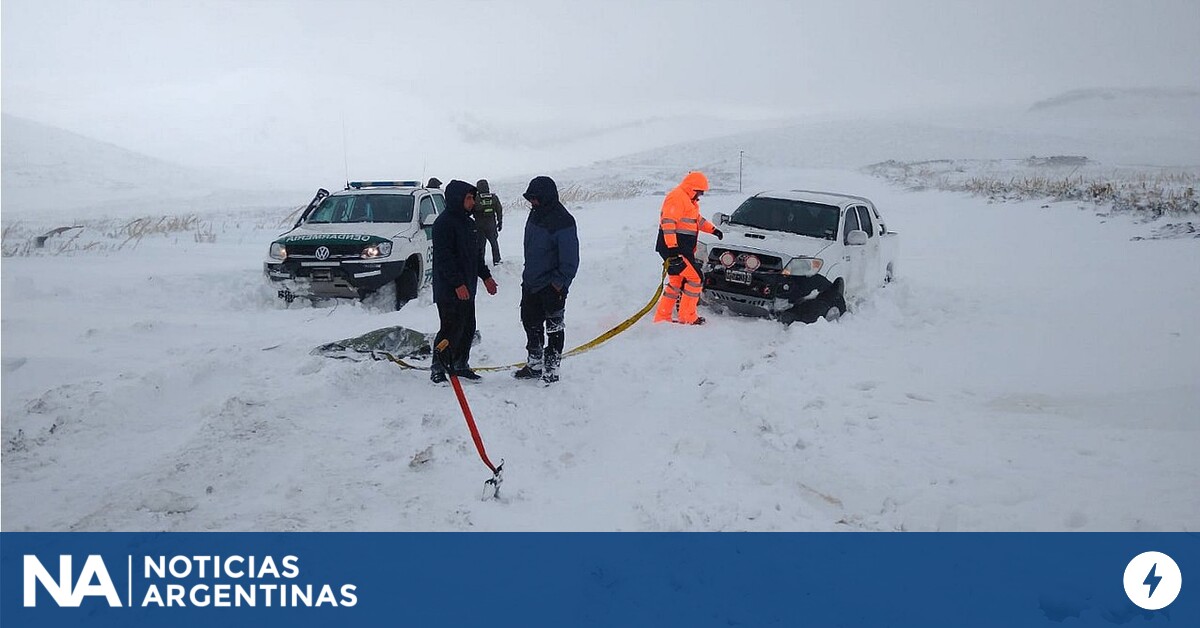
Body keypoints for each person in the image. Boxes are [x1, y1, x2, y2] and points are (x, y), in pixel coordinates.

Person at [430, 179, 498, 383]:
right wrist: (457, 284)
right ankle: (438, 367)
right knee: (450, 328)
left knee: (467, 327)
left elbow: (476, 255)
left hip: (467, 288)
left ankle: (460, 364)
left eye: (472, 198)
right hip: (449, 289)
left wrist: (486, 277)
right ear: (457, 199)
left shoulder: (469, 223)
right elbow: (444, 258)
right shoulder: (443, 224)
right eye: (468, 198)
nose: (472, 202)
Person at [513, 176, 579, 384]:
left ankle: (551, 368)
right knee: (530, 324)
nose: (532, 202)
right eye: (530, 199)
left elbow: (571, 260)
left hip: (552, 287)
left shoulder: (563, 221)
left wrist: (558, 284)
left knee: (554, 329)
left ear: (547, 197)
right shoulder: (535, 215)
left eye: (536, 198)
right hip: (531, 283)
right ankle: (534, 364)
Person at [654, 171, 722, 325]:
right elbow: (668, 223)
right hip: (676, 249)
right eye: (700, 192)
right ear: (693, 188)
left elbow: (696, 220)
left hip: (679, 249)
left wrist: (713, 230)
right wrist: (672, 249)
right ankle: (688, 316)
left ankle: (662, 317)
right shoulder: (677, 197)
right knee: (696, 278)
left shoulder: (688, 201)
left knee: (676, 282)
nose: (700, 196)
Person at [474, 179, 504, 264]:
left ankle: (480, 262)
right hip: (491, 224)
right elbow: (499, 209)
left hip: (479, 225)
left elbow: (471, 209)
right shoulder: (493, 197)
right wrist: (500, 221)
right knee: (494, 243)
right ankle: (497, 260)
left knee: (480, 245)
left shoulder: (476, 198)